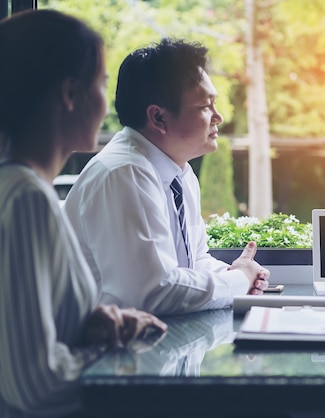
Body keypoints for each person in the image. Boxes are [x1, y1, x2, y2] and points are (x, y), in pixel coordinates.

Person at [0, 10, 167, 417]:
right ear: (71, 93)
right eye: (101, 84)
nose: (106, 103)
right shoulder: (26, 200)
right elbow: (37, 386)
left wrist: (87, 324)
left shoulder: (23, 190)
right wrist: (104, 345)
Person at [63, 38, 269, 316]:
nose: (218, 117)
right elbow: (155, 292)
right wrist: (237, 281)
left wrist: (240, 273)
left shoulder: (180, 174)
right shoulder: (125, 174)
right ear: (158, 118)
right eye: (204, 106)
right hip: (109, 353)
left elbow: (192, 264)